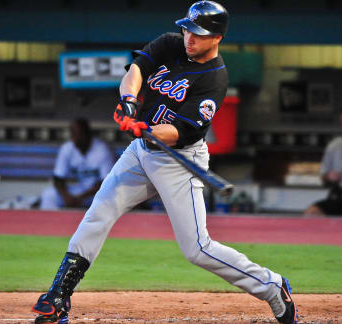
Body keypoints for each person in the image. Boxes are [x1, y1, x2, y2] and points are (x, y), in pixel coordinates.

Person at [31, 2, 297, 324]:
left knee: (197, 249)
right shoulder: (170, 43)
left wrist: (147, 128)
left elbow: (181, 131)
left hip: (179, 160)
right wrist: (129, 103)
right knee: (98, 213)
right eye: (188, 29)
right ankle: (58, 296)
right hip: (141, 151)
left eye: (198, 33)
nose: (189, 38)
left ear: (217, 37)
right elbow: (136, 73)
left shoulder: (214, 79)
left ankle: (271, 286)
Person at [40, 118, 115, 210]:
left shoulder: (102, 149)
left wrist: (81, 198)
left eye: (79, 134)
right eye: (73, 134)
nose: (76, 138)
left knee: (110, 197)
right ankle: (52, 223)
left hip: (95, 194)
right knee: (49, 195)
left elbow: (106, 183)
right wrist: (66, 197)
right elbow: (58, 179)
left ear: (87, 134)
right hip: (78, 191)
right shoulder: (67, 148)